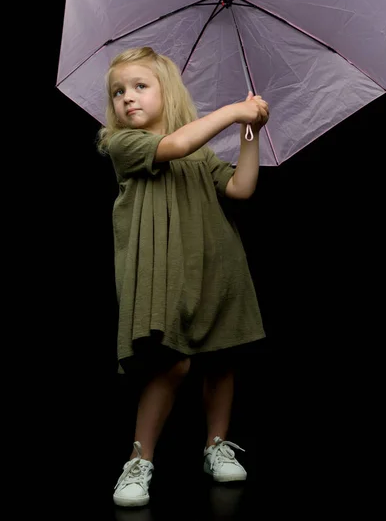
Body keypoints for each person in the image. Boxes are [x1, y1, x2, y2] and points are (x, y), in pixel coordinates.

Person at [97, 46, 269, 508]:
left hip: (215, 265)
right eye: (118, 92)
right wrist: (233, 109)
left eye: (139, 86)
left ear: (167, 93)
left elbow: (241, 188)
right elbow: (174, 146)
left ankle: (217, 445)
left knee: (220, 357)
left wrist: (249, 129)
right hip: (163, 272)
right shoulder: (123, 144)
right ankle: (140, 458)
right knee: (170, 364)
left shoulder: (202, 153)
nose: (127, 98)